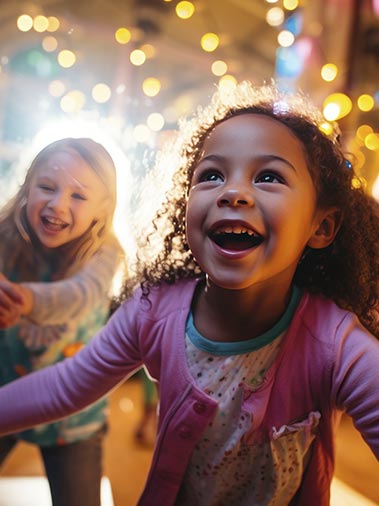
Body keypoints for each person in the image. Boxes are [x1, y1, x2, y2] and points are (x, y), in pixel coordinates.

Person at [0, 82, 378, 506]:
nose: (232, 192)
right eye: (212, 175)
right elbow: (65, 386)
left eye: (268, 176)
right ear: (185, 212)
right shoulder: (154, 311)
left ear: (321, 226)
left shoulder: (334, 347)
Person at [0, 137, 124, 506]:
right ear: (27, 187)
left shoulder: (106, 253)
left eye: (79, 196)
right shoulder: (5, 236)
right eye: (46, 187)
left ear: (103, 209)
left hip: (72, 420)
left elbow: (78, 296)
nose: (57, 205)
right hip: (5, 395)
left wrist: (24, 301)